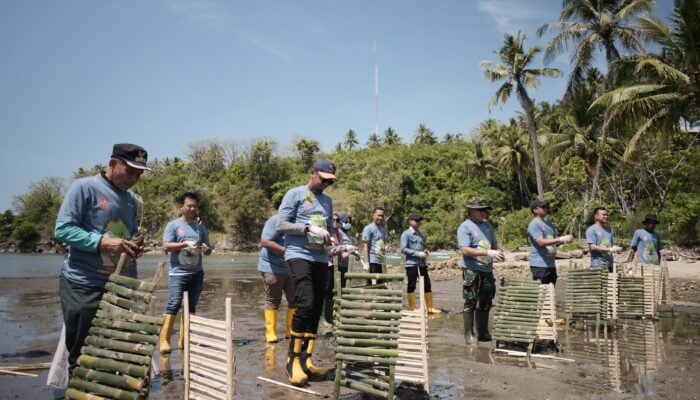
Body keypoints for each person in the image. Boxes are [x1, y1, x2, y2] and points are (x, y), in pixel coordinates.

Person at [54, 143, 149, 372]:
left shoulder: (131, 199)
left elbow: (122, 235)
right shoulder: (84, 188)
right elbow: (63, 230)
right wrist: (102, 242)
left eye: (139, 174)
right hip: (84, 284)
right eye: (130, 171)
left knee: (115, 352)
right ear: (112, 163)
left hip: (119, 286)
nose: (134, 178)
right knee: (83, 353)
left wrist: (133, 247)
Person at [276, 159, 336, 386]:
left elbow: (329, 231)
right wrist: (308, 228)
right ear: (312, 173)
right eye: (323, 179)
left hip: (321, 257)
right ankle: (292, 361)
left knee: (316, 309)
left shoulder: (328, 201)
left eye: (330, 181)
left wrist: (334, 243)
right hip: (298, 255)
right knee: (306, 304)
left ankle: (307, 361)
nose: (325, 184)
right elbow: (281, 225)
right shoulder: (295, 194)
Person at [159, 192, 213, 353]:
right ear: (181, 206)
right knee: (173, 304)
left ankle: (185, 340)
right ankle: (164, 340)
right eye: (189, 205)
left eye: (194, 206)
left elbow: (209, 250)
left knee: (191, 307)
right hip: (177, 273)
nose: (192, 208)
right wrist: (184, 244)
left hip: (197, 272)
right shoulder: (173, 226)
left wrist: (205, 248)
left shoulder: (200, 227)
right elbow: (166, 246)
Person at [457, 197, 504, 344]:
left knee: (486, 300)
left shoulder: (488, 226)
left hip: (487, 269)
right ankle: (469, 334)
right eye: (480, 210)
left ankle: (483, 332)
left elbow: (494, 245)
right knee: (471, 300)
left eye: (485, 210)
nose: (484, 213)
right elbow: (464, 249)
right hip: (472, 269)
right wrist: (487, 253)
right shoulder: (465, 227)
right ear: (471, 211)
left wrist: (498, 252)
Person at [258, 214, 296, 343]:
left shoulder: (301, 222)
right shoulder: (275, 220)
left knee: (295, 299)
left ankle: (291, 331)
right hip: (271, 265)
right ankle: (270, 332)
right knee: (273, 298)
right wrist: (286, 251)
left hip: (292, 265)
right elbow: (265, 241)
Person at [400, 213, 441, 314]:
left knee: (427, 284)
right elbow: (403, 249)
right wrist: (418, 253)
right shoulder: (406, 234)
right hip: (411, 264)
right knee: (412, 285)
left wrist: (425, 252)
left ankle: (430, 307)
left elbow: (422, 248)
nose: (419, 222)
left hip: (422, 264)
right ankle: (413, 308)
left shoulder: (420, 234)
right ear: (410, 221)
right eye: (416, 220)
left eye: (419, 220)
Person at [322, 212, 357, 325]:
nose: (336, 222)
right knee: (327, 292)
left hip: (337, 266)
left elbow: (341, 254)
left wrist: (351, 253)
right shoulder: (327, 233)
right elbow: (332, 250)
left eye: (337, 220)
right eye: (334, 220)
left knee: (334, 291)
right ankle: (324, 318)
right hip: (327, 265)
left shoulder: (339, 234)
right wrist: (346, 247)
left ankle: (331, 316)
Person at [527, 200, 573, 285]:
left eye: (546, 207)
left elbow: (553, 242)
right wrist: (560, 239)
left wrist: (564, 241)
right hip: (539, 264)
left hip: (551, 264)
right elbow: (540, 242)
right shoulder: (534, 224)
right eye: (543, 207)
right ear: (535, 210)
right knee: (541, 294)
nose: (546, 209)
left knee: (550, 293)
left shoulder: (549, 224)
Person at [586, 207, 622, 272]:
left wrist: (616, 249)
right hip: (598, 265)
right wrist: (610, 249)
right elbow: (592, 247)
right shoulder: (591, 229)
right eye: (603, 215)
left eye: (607, 215)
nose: (606, 216)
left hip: (610, 264)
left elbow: (614, 244)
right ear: (596, 216)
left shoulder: (610, 230)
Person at [361, 207, 387, 284]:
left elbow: (381, 243)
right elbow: (365, 246)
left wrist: (385, 248)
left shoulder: (382, 229)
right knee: (372, 285)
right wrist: (366, 263)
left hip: (381, 261)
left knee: (380, 284)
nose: (380, 217)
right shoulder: (368, 229)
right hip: (372, 261)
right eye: (378, 215)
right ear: (373, 215)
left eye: (382, 216)